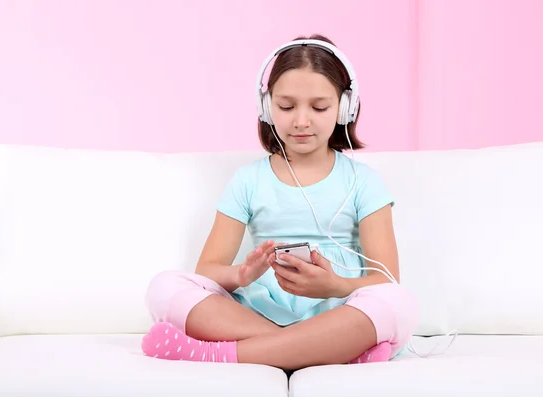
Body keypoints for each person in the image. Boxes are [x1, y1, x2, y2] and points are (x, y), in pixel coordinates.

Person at [141, 34, 419, 370]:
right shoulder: (248, 180)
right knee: (164, 287)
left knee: (397, 302)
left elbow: (386, 279)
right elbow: (208, 271)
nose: (301, 121)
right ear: (267, 106)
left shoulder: (364, 182)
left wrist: (335, 285)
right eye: (286, 107)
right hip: (253, 313)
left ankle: (227, 354)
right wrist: (242, 275)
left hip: (340, 314)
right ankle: (323, 351)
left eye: (319, 107)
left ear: (345, 108)